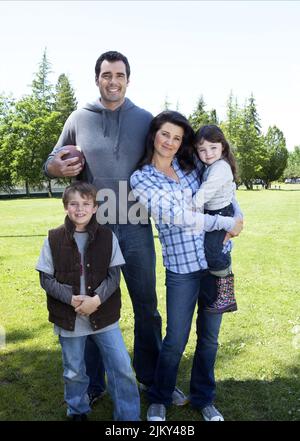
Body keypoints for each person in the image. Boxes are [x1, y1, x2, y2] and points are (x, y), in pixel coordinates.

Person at [43, 51, 186, 406]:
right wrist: (55, 168)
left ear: (127, 79)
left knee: (146, 306)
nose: (113, 81)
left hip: (137, 225)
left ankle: (151, 379)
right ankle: (93, 385)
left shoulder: (145, 119)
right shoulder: (78, 118)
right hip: (95, 232)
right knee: (91, 305)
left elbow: (169, 156)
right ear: (97, 79)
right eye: (106, 75)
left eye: (119, 75)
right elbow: (52, 159)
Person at [130, 111, 243, 422]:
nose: (170, 142)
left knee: (210, 338)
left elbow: (225, 189)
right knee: (175, 339)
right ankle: (159, 397)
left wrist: (238, 216)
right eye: (166, 134)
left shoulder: (193, 166)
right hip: (181, 271)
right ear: (154, 135)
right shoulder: (141, 178)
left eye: (178, 138)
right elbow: (178, 217)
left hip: (218, 264)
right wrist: (225, 222)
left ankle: (204, 398)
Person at [36, 181, 140, 421]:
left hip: (103, 315)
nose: (79, 209)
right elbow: (46, 278)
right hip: (69, 317)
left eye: (86, 204)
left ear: (95, 208)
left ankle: (128, 417)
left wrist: (96, 300)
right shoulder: (53, 238)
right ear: (65, 207)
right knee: (73, 371)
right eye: (73, 204)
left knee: (121, 367)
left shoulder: (107, 236)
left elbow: (114, 276)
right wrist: (71, 299)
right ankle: (77, 410)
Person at [194, 124, 238, 313]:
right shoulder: (211, 166)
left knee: (213, 252)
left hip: (221, 213)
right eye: (202, 149)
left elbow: (205, 192)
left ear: (223, 147)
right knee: (211, 251)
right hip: (215, 213)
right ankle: (220, 295)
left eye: (213, 148)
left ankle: (227, 297)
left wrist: (189, 206)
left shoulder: (220, 167)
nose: (208, 153)